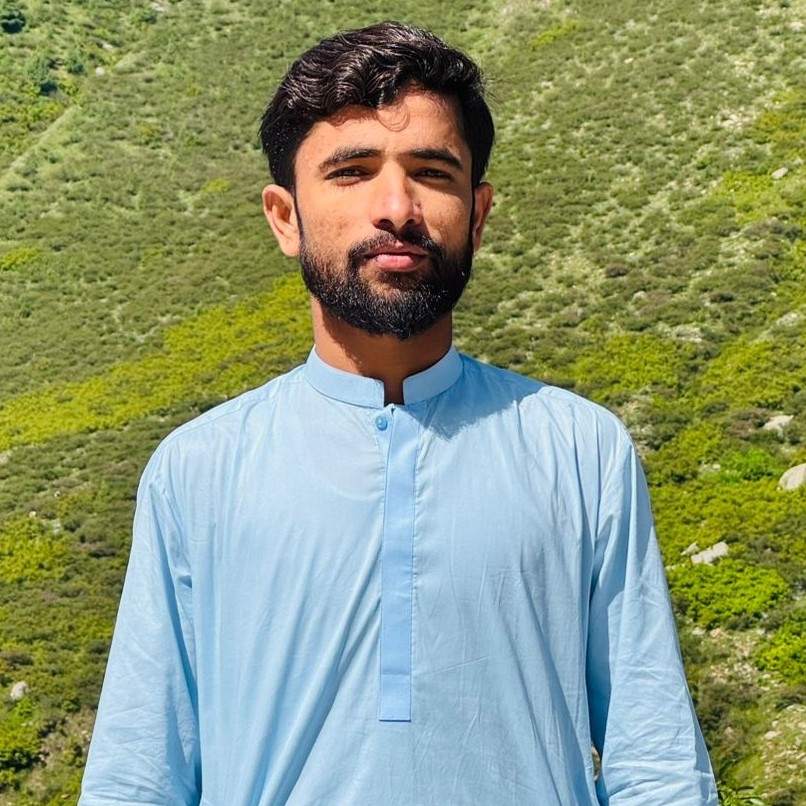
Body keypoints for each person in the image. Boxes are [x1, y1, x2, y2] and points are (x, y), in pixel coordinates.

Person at [79, 21, 718, 805]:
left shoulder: (581, 451)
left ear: (477, 213)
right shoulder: (198, 470)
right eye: (351, 172)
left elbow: (656, 764)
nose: (396, 207)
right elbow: (139, 777)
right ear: (285, 217)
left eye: (432, 172)